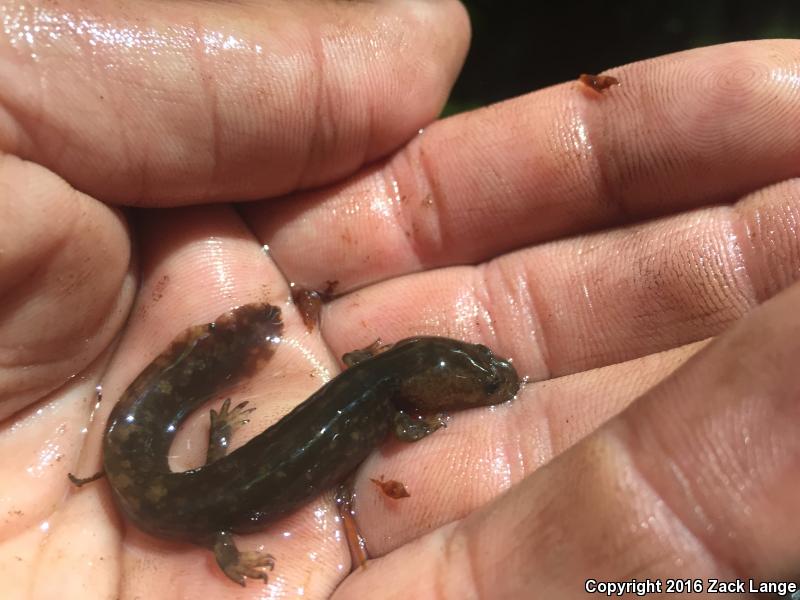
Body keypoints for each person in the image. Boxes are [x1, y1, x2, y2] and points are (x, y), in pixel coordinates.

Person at [2, 1, 799, 597]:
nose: (490, 375)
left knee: (233, 476)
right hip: (194, 514)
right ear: (419, 383)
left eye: (483, 372)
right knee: (223, 495)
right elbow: (403, 417)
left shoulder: (382, 385)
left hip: (201, 491)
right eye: (483, 375)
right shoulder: (395, 407)